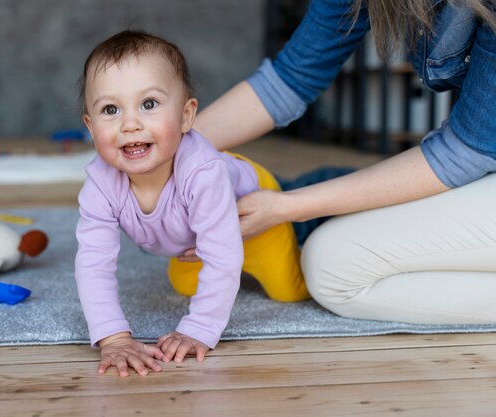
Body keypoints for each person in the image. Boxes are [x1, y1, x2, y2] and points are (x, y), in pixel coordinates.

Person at [186, 0, 496, 326]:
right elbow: (289, 78)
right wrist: (167, 151)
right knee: (319, 191)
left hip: (476, 156)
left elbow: (462, 153)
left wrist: (285, 207)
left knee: (330, 265)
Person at [75, 30, 308, 377]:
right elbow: (93, 263)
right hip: (194, 240)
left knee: (289, 290)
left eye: (149, 104)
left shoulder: (203, 172)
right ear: (91, 129)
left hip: (258, 211)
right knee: (186, 284)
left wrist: (198, 329)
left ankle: (310, 221)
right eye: (111, 109)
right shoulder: (100, 184)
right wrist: (113, 337)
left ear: (186, 116)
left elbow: (222, 255)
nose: (130, 124)